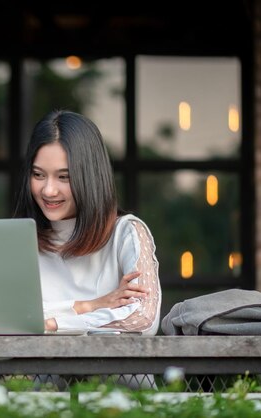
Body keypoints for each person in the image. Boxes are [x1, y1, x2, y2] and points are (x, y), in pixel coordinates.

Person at [14, 109, 162, 335]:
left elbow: (142, 318)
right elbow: (5, 319)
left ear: (90, 177)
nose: (48, 190)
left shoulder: (126, 232)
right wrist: (91, 305)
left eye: (64, 177)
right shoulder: (20, 241)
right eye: (38, 175)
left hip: (115, 372)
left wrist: (54, 324)